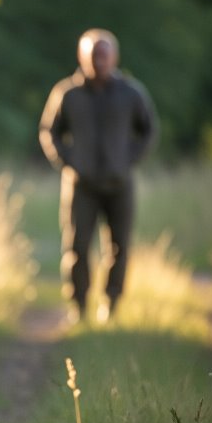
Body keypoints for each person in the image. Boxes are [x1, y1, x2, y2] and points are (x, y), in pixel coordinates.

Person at [39, 29, 158, 324]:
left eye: (104, 56)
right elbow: (49, 132)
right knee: (77, 247)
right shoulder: (68, 93)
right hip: (81, 185)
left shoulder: (131, 93)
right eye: (93, 56)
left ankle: (111, 304)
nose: (99, 61)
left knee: (120, 247)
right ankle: (78, 306)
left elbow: (149, 130)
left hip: (120, 184)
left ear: (114, 58)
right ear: (82, 57)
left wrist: (128, 160)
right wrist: (68, 162)